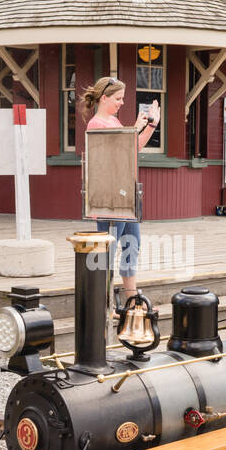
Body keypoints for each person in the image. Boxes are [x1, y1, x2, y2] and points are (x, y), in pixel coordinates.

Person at [78, 76, 160, 306]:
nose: (122, 102)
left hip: (126, 192)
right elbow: (116, 153)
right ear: (104, 98)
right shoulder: (96, 124)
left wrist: (151, 125)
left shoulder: (113, 123)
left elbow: (133, 148)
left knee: (131, 242)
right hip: (109, 196)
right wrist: (136, 127)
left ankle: (130, 295)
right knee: (109, 247)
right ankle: (104, 302)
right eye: (118, 98)